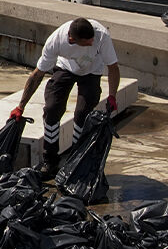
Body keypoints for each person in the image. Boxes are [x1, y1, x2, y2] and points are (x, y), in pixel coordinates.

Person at [10, 18, 121, 176]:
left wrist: (112, 96)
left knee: (83, 113)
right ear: (71, 39)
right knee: (52, 109)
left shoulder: (101, 36)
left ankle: (75, 161)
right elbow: (37, 74)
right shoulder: (56, 41)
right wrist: (21, 106)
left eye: (92, 41)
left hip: (92, 72)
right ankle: (50, 160)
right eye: (87, 43)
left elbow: (113, 67)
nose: (91, 43)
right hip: (65, 68)